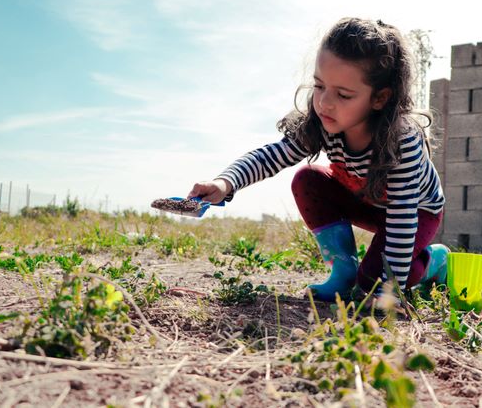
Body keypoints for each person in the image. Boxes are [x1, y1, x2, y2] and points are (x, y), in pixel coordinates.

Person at [187, 17, 448, 303]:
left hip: (415, 212)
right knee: (308, 178)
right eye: (319, 86)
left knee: (374, 284)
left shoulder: (401, 143)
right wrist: (225, 183)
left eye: (344, 95)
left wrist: (387, 293)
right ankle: (343, 270)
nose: (324, 103)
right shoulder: (322, 122)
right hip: (367, 201)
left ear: (379, 98)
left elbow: (402, 220)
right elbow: (272, 156)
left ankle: (434, 262)